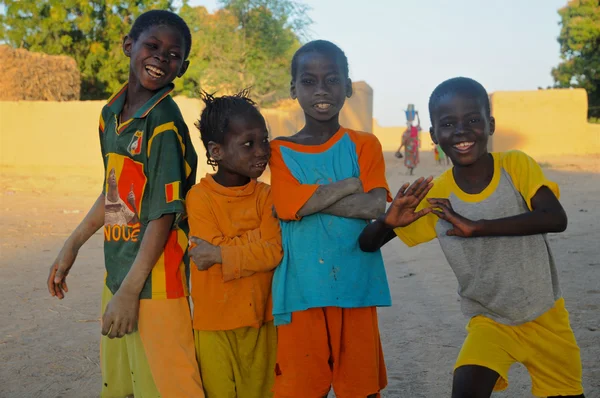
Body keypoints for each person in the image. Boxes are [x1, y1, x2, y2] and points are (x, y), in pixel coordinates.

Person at [359, 77, 585, 398]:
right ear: (434, 135)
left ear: (490, 124)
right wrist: (386, 222)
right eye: (448, 123)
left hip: (545, 317)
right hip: (489, 322)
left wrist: (476, 226)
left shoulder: (515, 165)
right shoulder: (436, 194)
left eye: (473, 120)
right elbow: (367, 244)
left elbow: (555, 218)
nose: (462, 131)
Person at [46, 10, 205, 397]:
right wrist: (73, 244)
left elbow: (164, 215)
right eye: (152, 46)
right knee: (122, 385)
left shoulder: (163, 122)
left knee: (168, 386)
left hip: (155, 284)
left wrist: (131, 292)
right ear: (128, 45)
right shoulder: (110, 116)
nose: (160, 59)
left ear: (181, 68)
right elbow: (116, 193)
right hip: (119, 274)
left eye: (172, 55)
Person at [269, 40, 391, 398]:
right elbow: (283, 206)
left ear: (348, 87)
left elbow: (374, 207)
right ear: (294, 89)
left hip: (355, 286)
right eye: (309, 81)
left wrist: (307, 200)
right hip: (299, 292)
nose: (321, 90)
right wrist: (348, 185)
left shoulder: (365, 144)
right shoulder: (279, 150)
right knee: (301, 389)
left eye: (332, 79)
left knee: (361, 388)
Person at [186, 90, 283, 398]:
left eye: (264, 140)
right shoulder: (199, 198)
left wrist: (222, 253)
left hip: (262, 322)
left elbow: (274, 252)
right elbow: (204, 254)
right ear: (216, 151)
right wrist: (254, 242)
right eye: (248, 144)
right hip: (213, 324)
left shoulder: (268, 195)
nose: (262, 151)